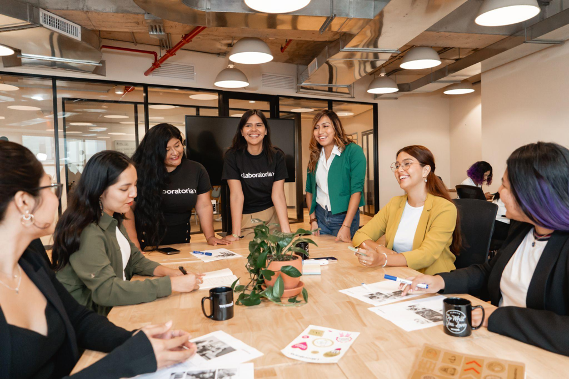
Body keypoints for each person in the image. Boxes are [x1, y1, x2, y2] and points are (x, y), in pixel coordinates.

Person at [0, 141, 197, 379]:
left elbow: (79, 319)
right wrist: (130, 357)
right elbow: (103, 293)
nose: (57, 199)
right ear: (23, 202)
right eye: (51, 188)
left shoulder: (30, 261)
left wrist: (131, 339)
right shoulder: (86, 230)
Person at [402, 142, 569, 357]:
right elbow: (488, 271)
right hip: (496, 342)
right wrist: (440, 281)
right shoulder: (524, 228)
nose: (499, 192)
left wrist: (494, 317)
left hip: (540, 356)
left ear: (534, 193)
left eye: (506, 186)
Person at [53, 151, 204, 316]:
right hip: (88, 324)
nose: (134, 193)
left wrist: (171, 273)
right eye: (124, 188)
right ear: (100, 190)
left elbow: (134, 260)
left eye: (135, 185)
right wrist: (171, 284)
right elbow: (107, 290)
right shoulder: (87, 231)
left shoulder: (113, 217)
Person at [352, 145, 461, 275]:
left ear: (425, 170)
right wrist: (381, 249)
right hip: (400, 275)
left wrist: (383, 259)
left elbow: (427, 255)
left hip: (433, 281)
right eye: (397, 166)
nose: (399, 170)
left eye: (407, 164)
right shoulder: (395, 203)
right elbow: (360, 235)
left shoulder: (444, 208)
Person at [127, 124, 230, 250]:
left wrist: (210, 237)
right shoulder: (138, 172)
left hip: (182, 242)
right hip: (144, 244)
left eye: (177, 145)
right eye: (167, 149)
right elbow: (127, 209)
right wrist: (134, 243)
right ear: (155, 151)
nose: (175, 153)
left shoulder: (196, 170)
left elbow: (204, 205)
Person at [222, 110, 291, 241]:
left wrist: (286, 230)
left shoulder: (277, 156)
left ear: (266, 131)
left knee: (279, 253)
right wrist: (236, 234)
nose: (253, 129)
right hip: (248, 219)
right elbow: (237, 196)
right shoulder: (232, 156)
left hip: (273, 216)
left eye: (259, 125)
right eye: (248, 125)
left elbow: (278, 194)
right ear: (242, 132)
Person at [306, 110, 366, 243]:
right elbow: (310, 190)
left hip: (344, 218)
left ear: (336, 128)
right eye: (316, 127)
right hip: (320, 217)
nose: (320, 131)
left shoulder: (353, 151)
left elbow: (356, 191)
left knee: (343, 258)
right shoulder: (315, 155)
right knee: (321, 257)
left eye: (325, 126)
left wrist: (346, 226)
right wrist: (313, 220)